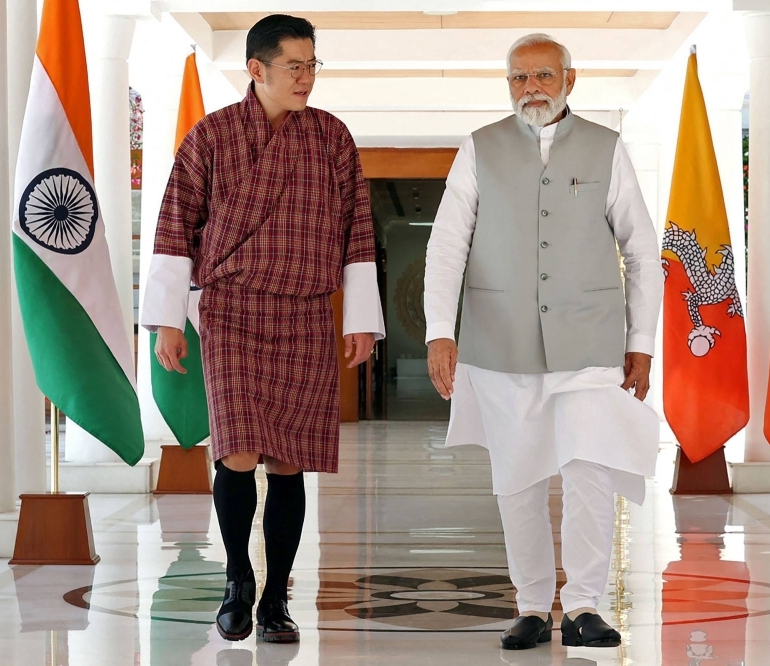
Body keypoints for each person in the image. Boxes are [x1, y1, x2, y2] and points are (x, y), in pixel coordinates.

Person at [141, 14, 384, 643]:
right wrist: (169, 320)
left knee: (288, 460)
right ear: (257, 69)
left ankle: (277, 596)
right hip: (231, 309)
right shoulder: (213, 136)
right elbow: (175, 224)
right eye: (294, 66)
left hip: (304, 308)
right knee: (238, 451)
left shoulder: (332, 137)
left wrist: (360, 320)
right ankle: (237, 579)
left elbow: (359, 228)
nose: (306, 78)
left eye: (312, 65)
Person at [424, 33, 663, 650]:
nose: (530, 88)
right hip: (500, 343)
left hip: (591, 343)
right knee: (517, 479)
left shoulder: (608, 148)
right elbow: (447, 244)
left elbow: (640, 249)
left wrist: (641, 341)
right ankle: (531, 606)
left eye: (542, 76)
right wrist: (440, 332)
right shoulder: (479, 149)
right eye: (518, 78)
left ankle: (584, 605)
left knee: (590, 472)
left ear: (569, 79)